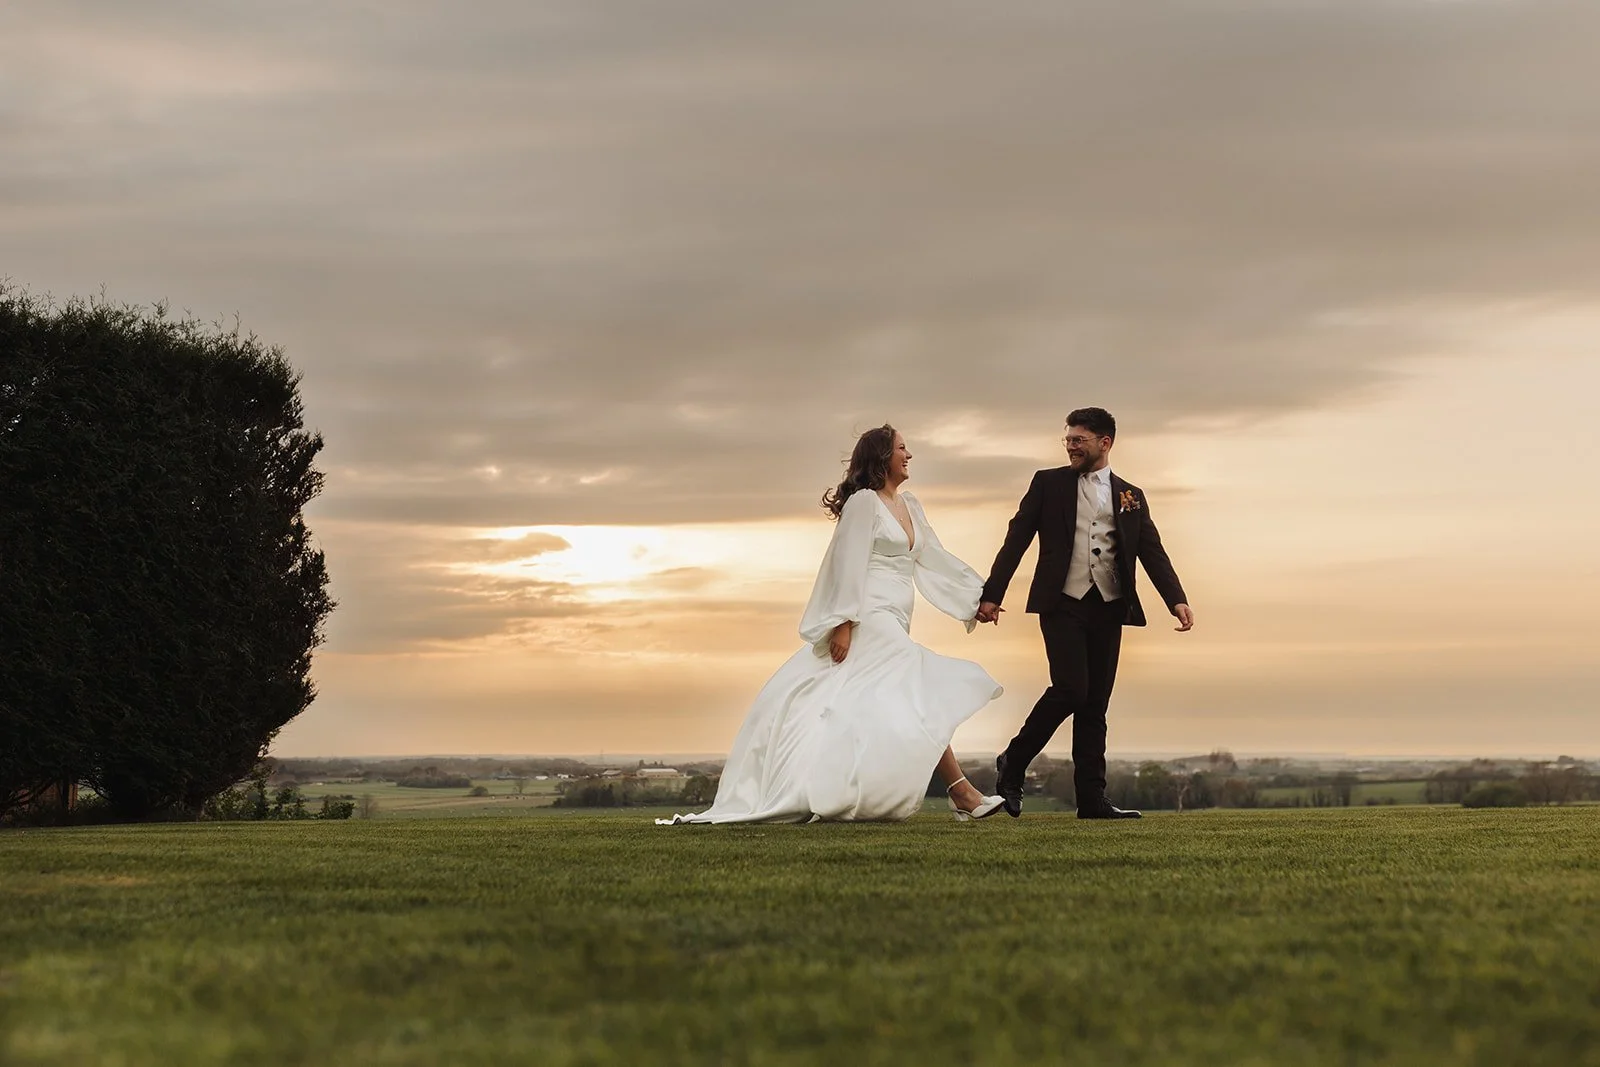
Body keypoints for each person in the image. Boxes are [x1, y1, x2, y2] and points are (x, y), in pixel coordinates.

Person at [659, 425, 1005, 824]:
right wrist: (843, 621)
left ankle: (836, 786)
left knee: (874, 702)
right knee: (918, 687)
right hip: (869, 613)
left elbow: (933, 559)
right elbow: (846, 561)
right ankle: (962, 792)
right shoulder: (863, 504)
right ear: (882, 457)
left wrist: (975, 600)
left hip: (897, 614)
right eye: (902, 449)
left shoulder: (911, 505)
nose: (909, 455)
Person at [977, 407, 1194, 819]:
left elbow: (1151, 550)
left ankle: (1092, 801)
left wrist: (1176, 599)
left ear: (1105, 442)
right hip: (1062, 602)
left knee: (1095, 703)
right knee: (1071, 689)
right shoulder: (1048, 483)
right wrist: (993, 594)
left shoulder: (1131, 495)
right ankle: (1014, 761)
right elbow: (1017, 537)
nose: (1071, 446)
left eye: (1079, 439)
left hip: (1109, 607)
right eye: (1068, 439)